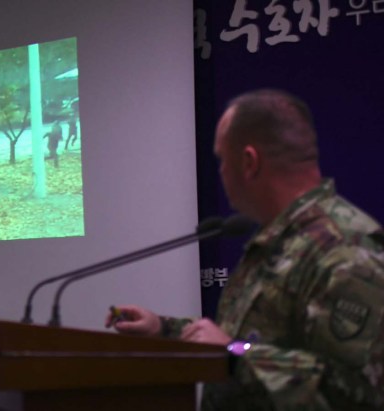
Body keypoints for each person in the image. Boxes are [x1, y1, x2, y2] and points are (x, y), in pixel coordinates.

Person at [107, 89, 384, 410]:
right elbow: (248, 339)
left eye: (222, 159)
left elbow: (358, 393)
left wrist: (236, 355)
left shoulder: (345, 248)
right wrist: (163, 328)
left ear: (249, 162)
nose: (221, 171)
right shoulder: (278, 239)